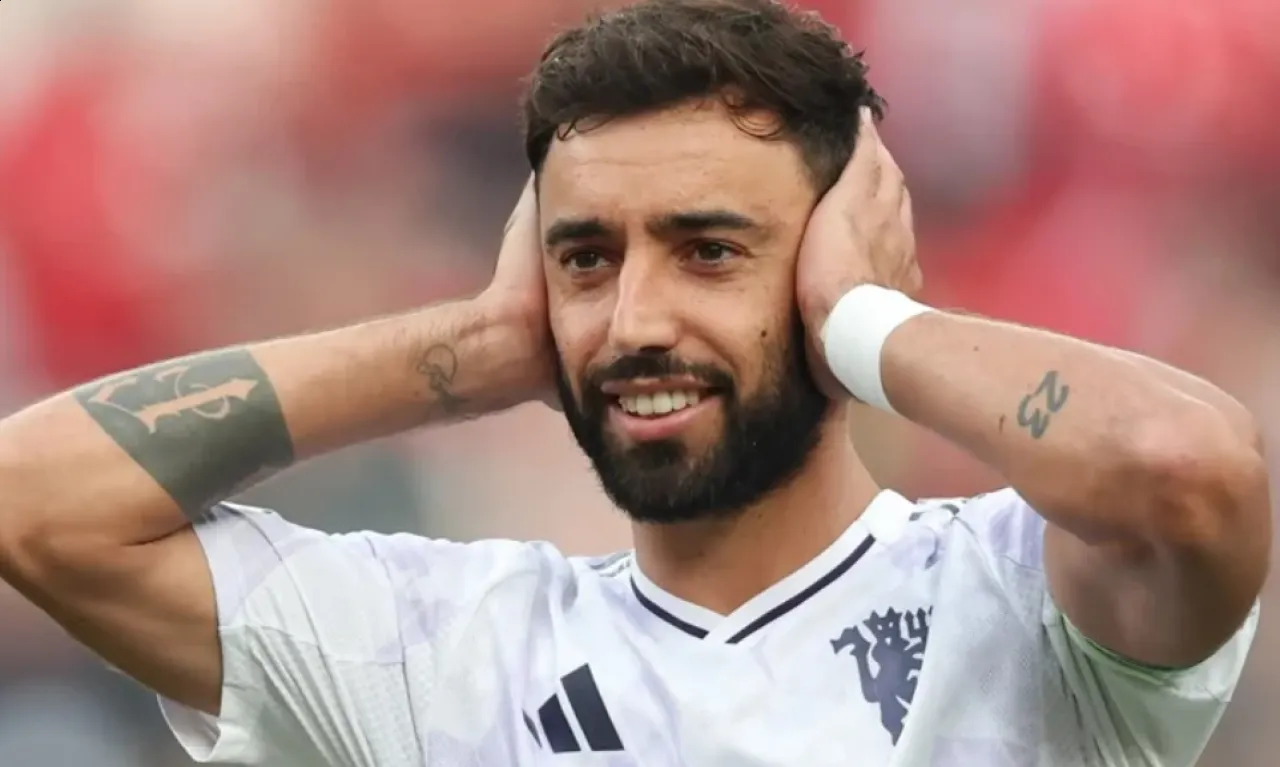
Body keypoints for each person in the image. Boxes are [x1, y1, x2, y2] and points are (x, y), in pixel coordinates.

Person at [0, 0, 1269, 764]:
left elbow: (1184, 467)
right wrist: (475, 349)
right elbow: (34, 500)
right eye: (586, 257)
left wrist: (867, 321)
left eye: (709, 250)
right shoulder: (440, 648)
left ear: (827, 262)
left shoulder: (1015, 603)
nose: (636, 318)